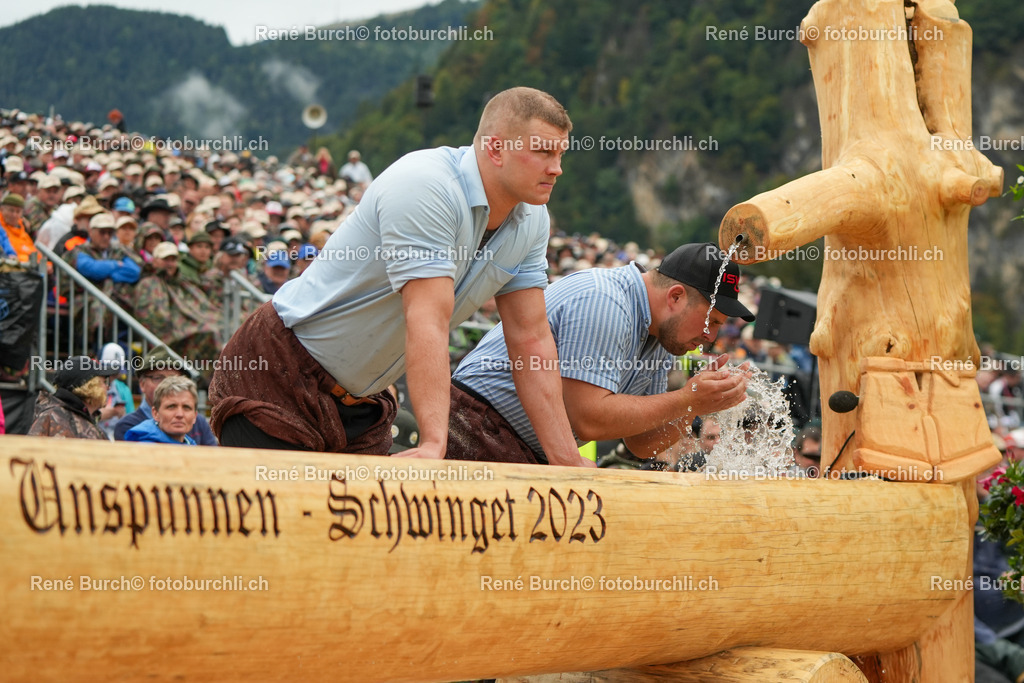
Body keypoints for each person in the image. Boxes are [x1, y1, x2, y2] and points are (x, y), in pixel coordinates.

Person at [210, 86, 588, 465]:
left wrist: (567, 460)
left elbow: (531, 339)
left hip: (364, 404)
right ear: (495, 150)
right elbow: (427, 320)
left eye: (560, 153)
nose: (557, 167)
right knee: (282, 519)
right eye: (543, 151)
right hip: (281, 372)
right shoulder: (426, 184)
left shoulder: (533, 218)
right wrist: (433, 444)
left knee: (359, 524)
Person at [448, 242, 755, 464]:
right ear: (675, 297)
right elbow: (589, 419)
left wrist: (697, 405)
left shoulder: (661, 335)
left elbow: (641, 444)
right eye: (710, 321)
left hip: (512, 441)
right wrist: (687, 398)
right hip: (475, 425)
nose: (710, 337)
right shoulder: (606, 301)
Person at [114, 346, 217, 444]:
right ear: (142, 384)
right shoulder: (128, 427)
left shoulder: (199, 422)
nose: (167, 383)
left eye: (173, 378)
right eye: (158, 378)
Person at [28, 356, 117, 439]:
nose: (108, 387)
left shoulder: (87, 419)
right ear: (89, 387)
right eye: (104, 382)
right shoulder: (51, 416)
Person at [125, 375, 199, 445]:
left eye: (186, 408)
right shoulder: (142, 450)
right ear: (155, 413)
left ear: (194, 416)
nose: (180, 414)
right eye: (171, 407)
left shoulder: (191, 445)